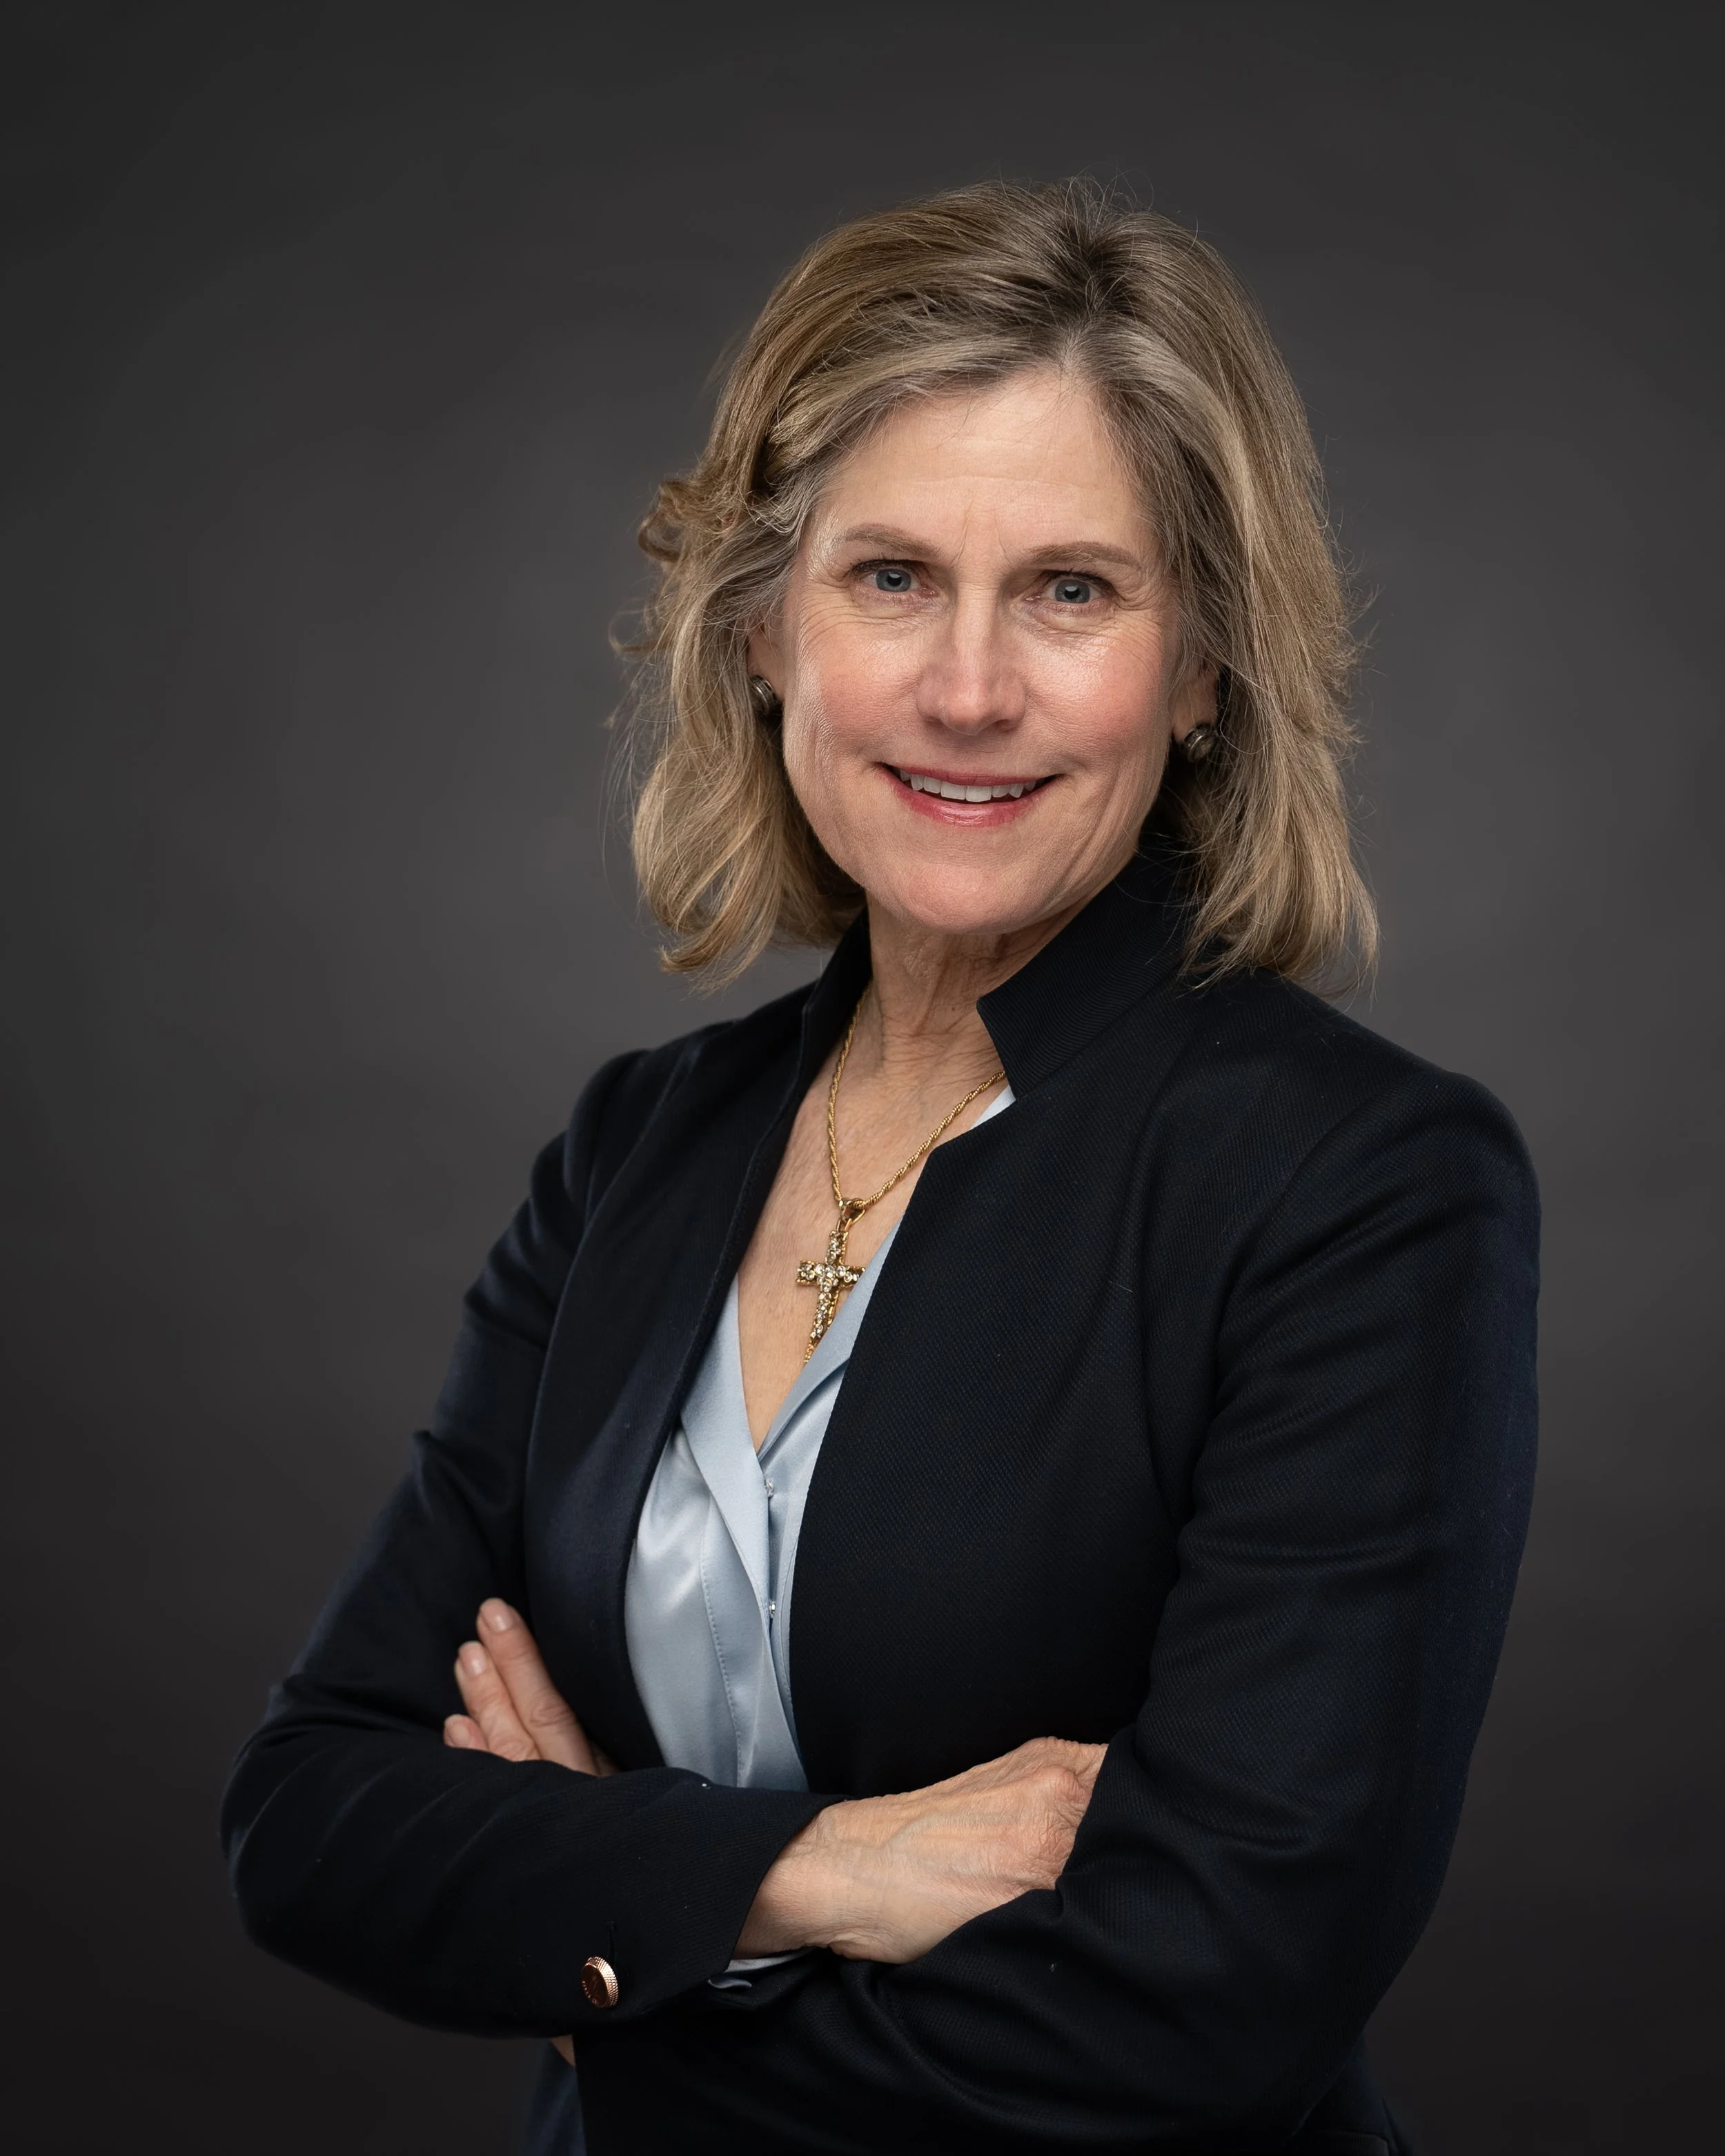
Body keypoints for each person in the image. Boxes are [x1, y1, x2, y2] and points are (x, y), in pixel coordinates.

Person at [221, 179, 1538, 2155]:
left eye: (1074, 590)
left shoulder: (1360, 1188)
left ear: (1199, 670)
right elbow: (309, 1811)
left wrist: (611, 1962)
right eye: (891, 577)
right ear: (763, 625)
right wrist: (809, 1872)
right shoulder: (640, 1147)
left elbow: (1206, 1999)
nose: (969, 688)